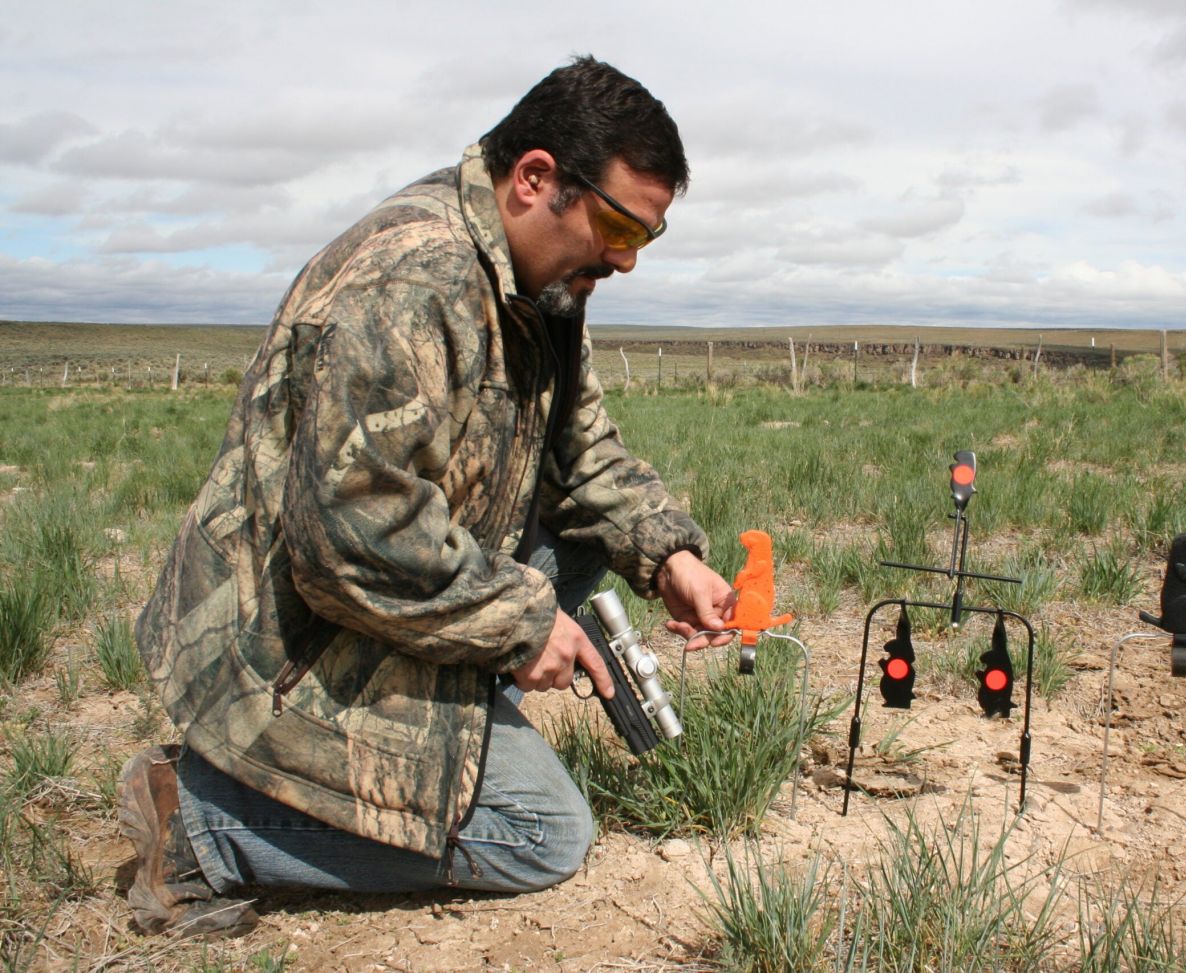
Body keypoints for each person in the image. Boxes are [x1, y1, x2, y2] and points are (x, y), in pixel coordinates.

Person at [119, 56, 734, 939]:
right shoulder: (416, 279)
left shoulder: (539, 287)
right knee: (541, 834)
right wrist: (522, 623)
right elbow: (350, 534)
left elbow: (579, 448)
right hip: (287, 641)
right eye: (616, 226)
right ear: (534, 179)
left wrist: (670, 554)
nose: (625, 261)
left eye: (646, 238)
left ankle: (453, 735)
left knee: (591, 535)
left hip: (378, 593)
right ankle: (204, 822)